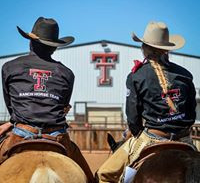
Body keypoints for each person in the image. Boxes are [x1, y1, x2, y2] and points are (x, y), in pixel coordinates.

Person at [96, 21, 197, 183]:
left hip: (152, 138)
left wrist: (137, 133)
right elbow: (191, 112)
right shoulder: (185, 74)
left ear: (144, 48)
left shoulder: (137, 76)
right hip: (185, 139)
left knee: (104, 175)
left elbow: (133, 118)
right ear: (167, 49)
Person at [0, 17, 94, 182]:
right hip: (57, 136)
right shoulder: (66, 73)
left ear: (31, 42)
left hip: (21, 134)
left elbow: (11, 107)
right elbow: (63, 106)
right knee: (91, 179)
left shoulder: (9, 67)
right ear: (55, 47)